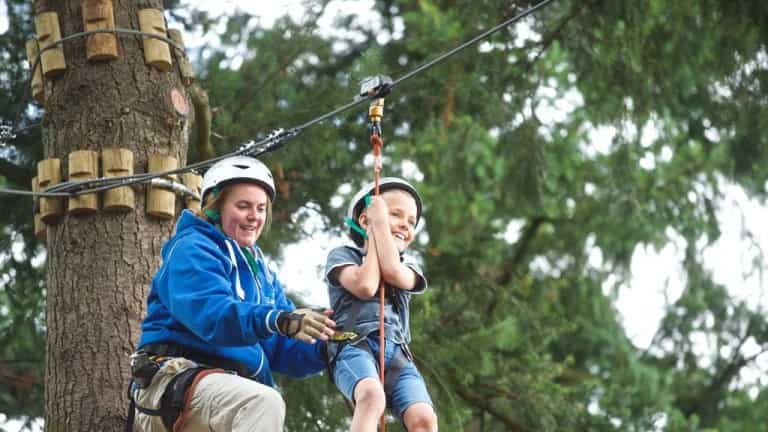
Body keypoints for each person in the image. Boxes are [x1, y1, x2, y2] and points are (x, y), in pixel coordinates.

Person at [128, 155, 336, 432]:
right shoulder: (192, 249)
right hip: (176, 381)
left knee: (262, 404)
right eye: (243, 206)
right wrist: (280, 319)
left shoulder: (261, 273)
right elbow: (212, 315)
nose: (255, 216)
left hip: (230, 398)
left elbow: (281, 347)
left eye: (261, 208)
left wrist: (328, 342)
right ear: (215, 208)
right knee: (263, 403)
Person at [324, 177, 438, 432]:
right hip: (354, 345)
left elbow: (392, 271)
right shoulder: (342, 256)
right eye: (395, 215)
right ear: (364, 220)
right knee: (372, 397)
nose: (405, 226)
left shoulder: (409, 267)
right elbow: (366, 286)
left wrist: (381, 226)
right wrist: (377, 228)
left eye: (411, 222)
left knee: (424, 419)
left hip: (396, 354)